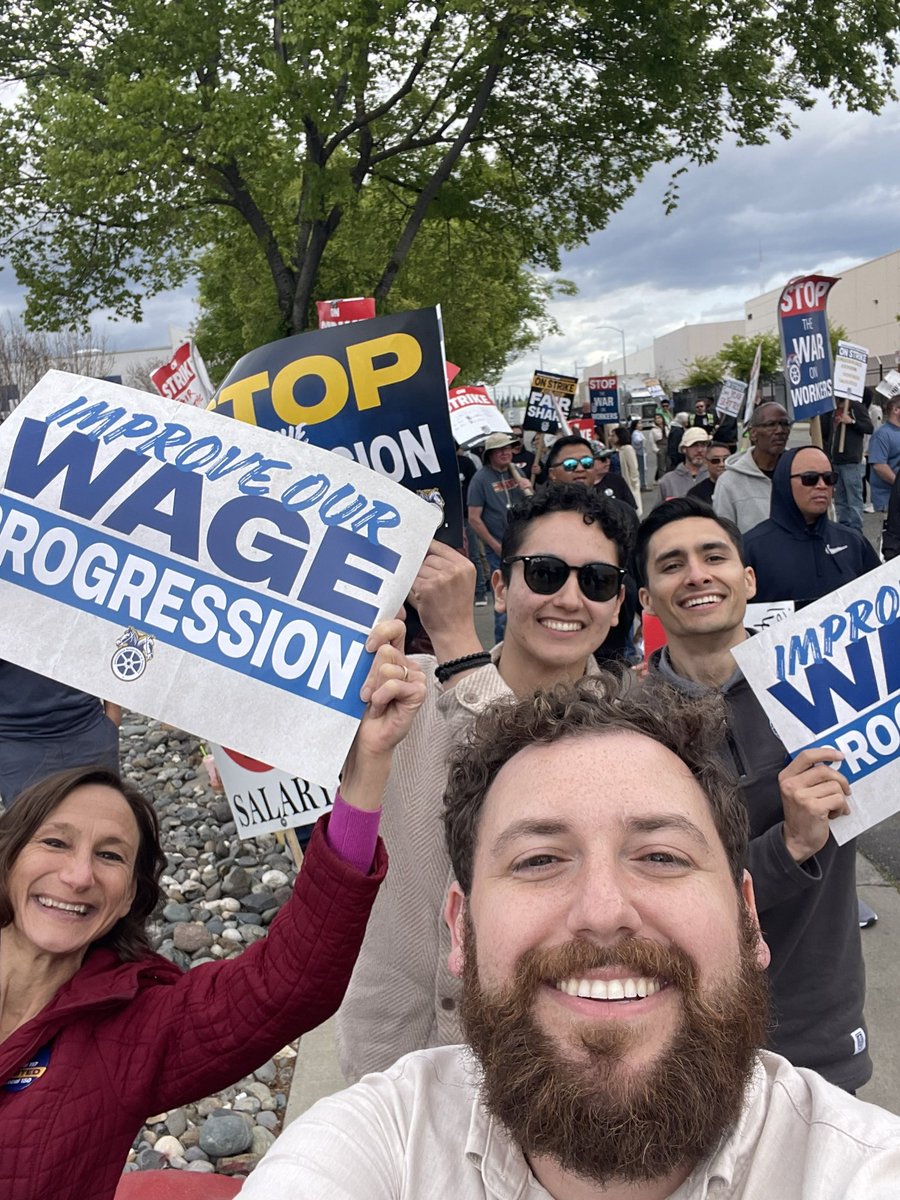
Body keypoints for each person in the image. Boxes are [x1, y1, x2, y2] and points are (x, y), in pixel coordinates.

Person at [243, 681, 900, 1200]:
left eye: (663, 856)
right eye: (538, 861)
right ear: (461, 929)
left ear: (747, 919)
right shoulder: (373, 1150)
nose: (604, 911)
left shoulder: (862, 1169)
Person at [0, 625, 425, 1200]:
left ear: (129, 896)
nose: (78, 875)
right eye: (54, 843)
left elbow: (288, 983)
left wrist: (367, 766)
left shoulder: (131, 1030)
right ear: (10, 858)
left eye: (110, 856)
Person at [335, 484, 633, 1082]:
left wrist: (456, 644)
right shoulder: (403, 688)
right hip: (386, 1046)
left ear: (620, 604)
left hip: (534, 1067)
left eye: (596, 581)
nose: (570, 598)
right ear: (500, 587)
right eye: (546, 574)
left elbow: (539, 793)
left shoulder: (637, 731)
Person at [636, 497, 871, 1091]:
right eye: (671, 565)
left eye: (714, 556)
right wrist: (789, 844)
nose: (696, 574)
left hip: (820, 1032)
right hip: (685, 1041)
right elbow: (651, 899)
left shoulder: (827, 677)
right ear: (646, 600)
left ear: (747, 579)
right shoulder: (627, 727)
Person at [743, 446, 881, 604]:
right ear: (784, 483)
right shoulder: (751, 548)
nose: (822, 485)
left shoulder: (853, 542)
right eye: (810, 478)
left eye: (829, 478)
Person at [0, 663, 121, 806]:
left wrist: (113, 716)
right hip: (16, 741)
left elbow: (104, 647)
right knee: (33, 825)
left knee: (104, 817)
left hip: (87, 725)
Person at [467, 432, 532, 642]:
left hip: (523, 545)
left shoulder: (517, 472)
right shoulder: (480, 479)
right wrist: (494, 545)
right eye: (500, 449)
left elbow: (533, 504)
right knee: (503, 602)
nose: (506, 452)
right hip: (499, 549)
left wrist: (529, 488)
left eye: (508, 448)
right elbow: (474, 518)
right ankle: (501, 650)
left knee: (526, 597)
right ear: (490, 454)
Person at [713, 401, 791, 532]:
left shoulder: (800, 473)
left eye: (784, 424)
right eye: (771, 425)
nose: (780, 431)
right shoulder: (730, 482)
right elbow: (724, 534)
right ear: (753, 433)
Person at [820, 396, 874, 532]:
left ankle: (856, 529)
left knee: (854, 498)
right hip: (835, 460)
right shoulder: (833, 409)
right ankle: (843, 527)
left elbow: (869, 427)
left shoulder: (856, 407)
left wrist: (852, 421)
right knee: (840, 498)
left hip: (850, 461)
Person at [456, 443, 489, 606]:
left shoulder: (466, 463)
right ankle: (461, 596)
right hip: (448, 518)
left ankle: (480, 592)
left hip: (467, 516)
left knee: (474, 554)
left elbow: (474, 487)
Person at [654, 426, 709, 503]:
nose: (699, 450)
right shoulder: (668, 481)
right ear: (684, 449)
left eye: (703, 445)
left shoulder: (714, 477)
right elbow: (659, 512)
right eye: (694, 445)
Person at [867, 393, 900, 513]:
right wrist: (898, 483)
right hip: (889, 499)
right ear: (896, 410)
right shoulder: (882, 435)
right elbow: (879, 466)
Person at [610, 426, 641, 514]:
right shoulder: (615, 449)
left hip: (626, 481)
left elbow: (633, 467)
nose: (611, 438)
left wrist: (633, 482)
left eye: (613, 435)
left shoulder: (627, 449)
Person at [687, 440, 730, 504]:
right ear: (706, 463)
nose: (722, 464)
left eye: (726, 460)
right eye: (715, 460)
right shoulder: (696, 494)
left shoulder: (742, 486)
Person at [630, 419, 647, 489]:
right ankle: (642, 484)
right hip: (639, 453)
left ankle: (643, 484)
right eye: (639, 424)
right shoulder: (635, 433)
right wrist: (642, 441)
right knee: (641, 469)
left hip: (641, 452)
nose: (641, 425)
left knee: (642, 469)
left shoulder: (639, 433)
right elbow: (637, 441)